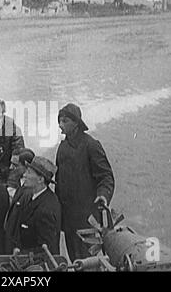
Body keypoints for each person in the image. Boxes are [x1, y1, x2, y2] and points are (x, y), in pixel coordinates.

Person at [55, 103, 115, 262]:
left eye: (65, 121)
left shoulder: (91, 145)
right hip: (68, 219)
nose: (60, 125)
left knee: (89, 262)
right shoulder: (62, 148)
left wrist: (103, 196)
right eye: (59, 121)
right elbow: (59, 182)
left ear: (76, 123)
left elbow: (106, 177)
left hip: (88, 220)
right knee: (75, 260)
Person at [18, 156, 61, 255]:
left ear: (40, 179)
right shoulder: (34, 197)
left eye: (29, 172)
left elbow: (47, 250)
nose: (24, 175)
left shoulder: (46, 209)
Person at [4, 148, 35, 254]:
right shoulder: (19, 184)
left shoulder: (31, 192)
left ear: (27, 167)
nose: (11, 168)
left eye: (15, 165)